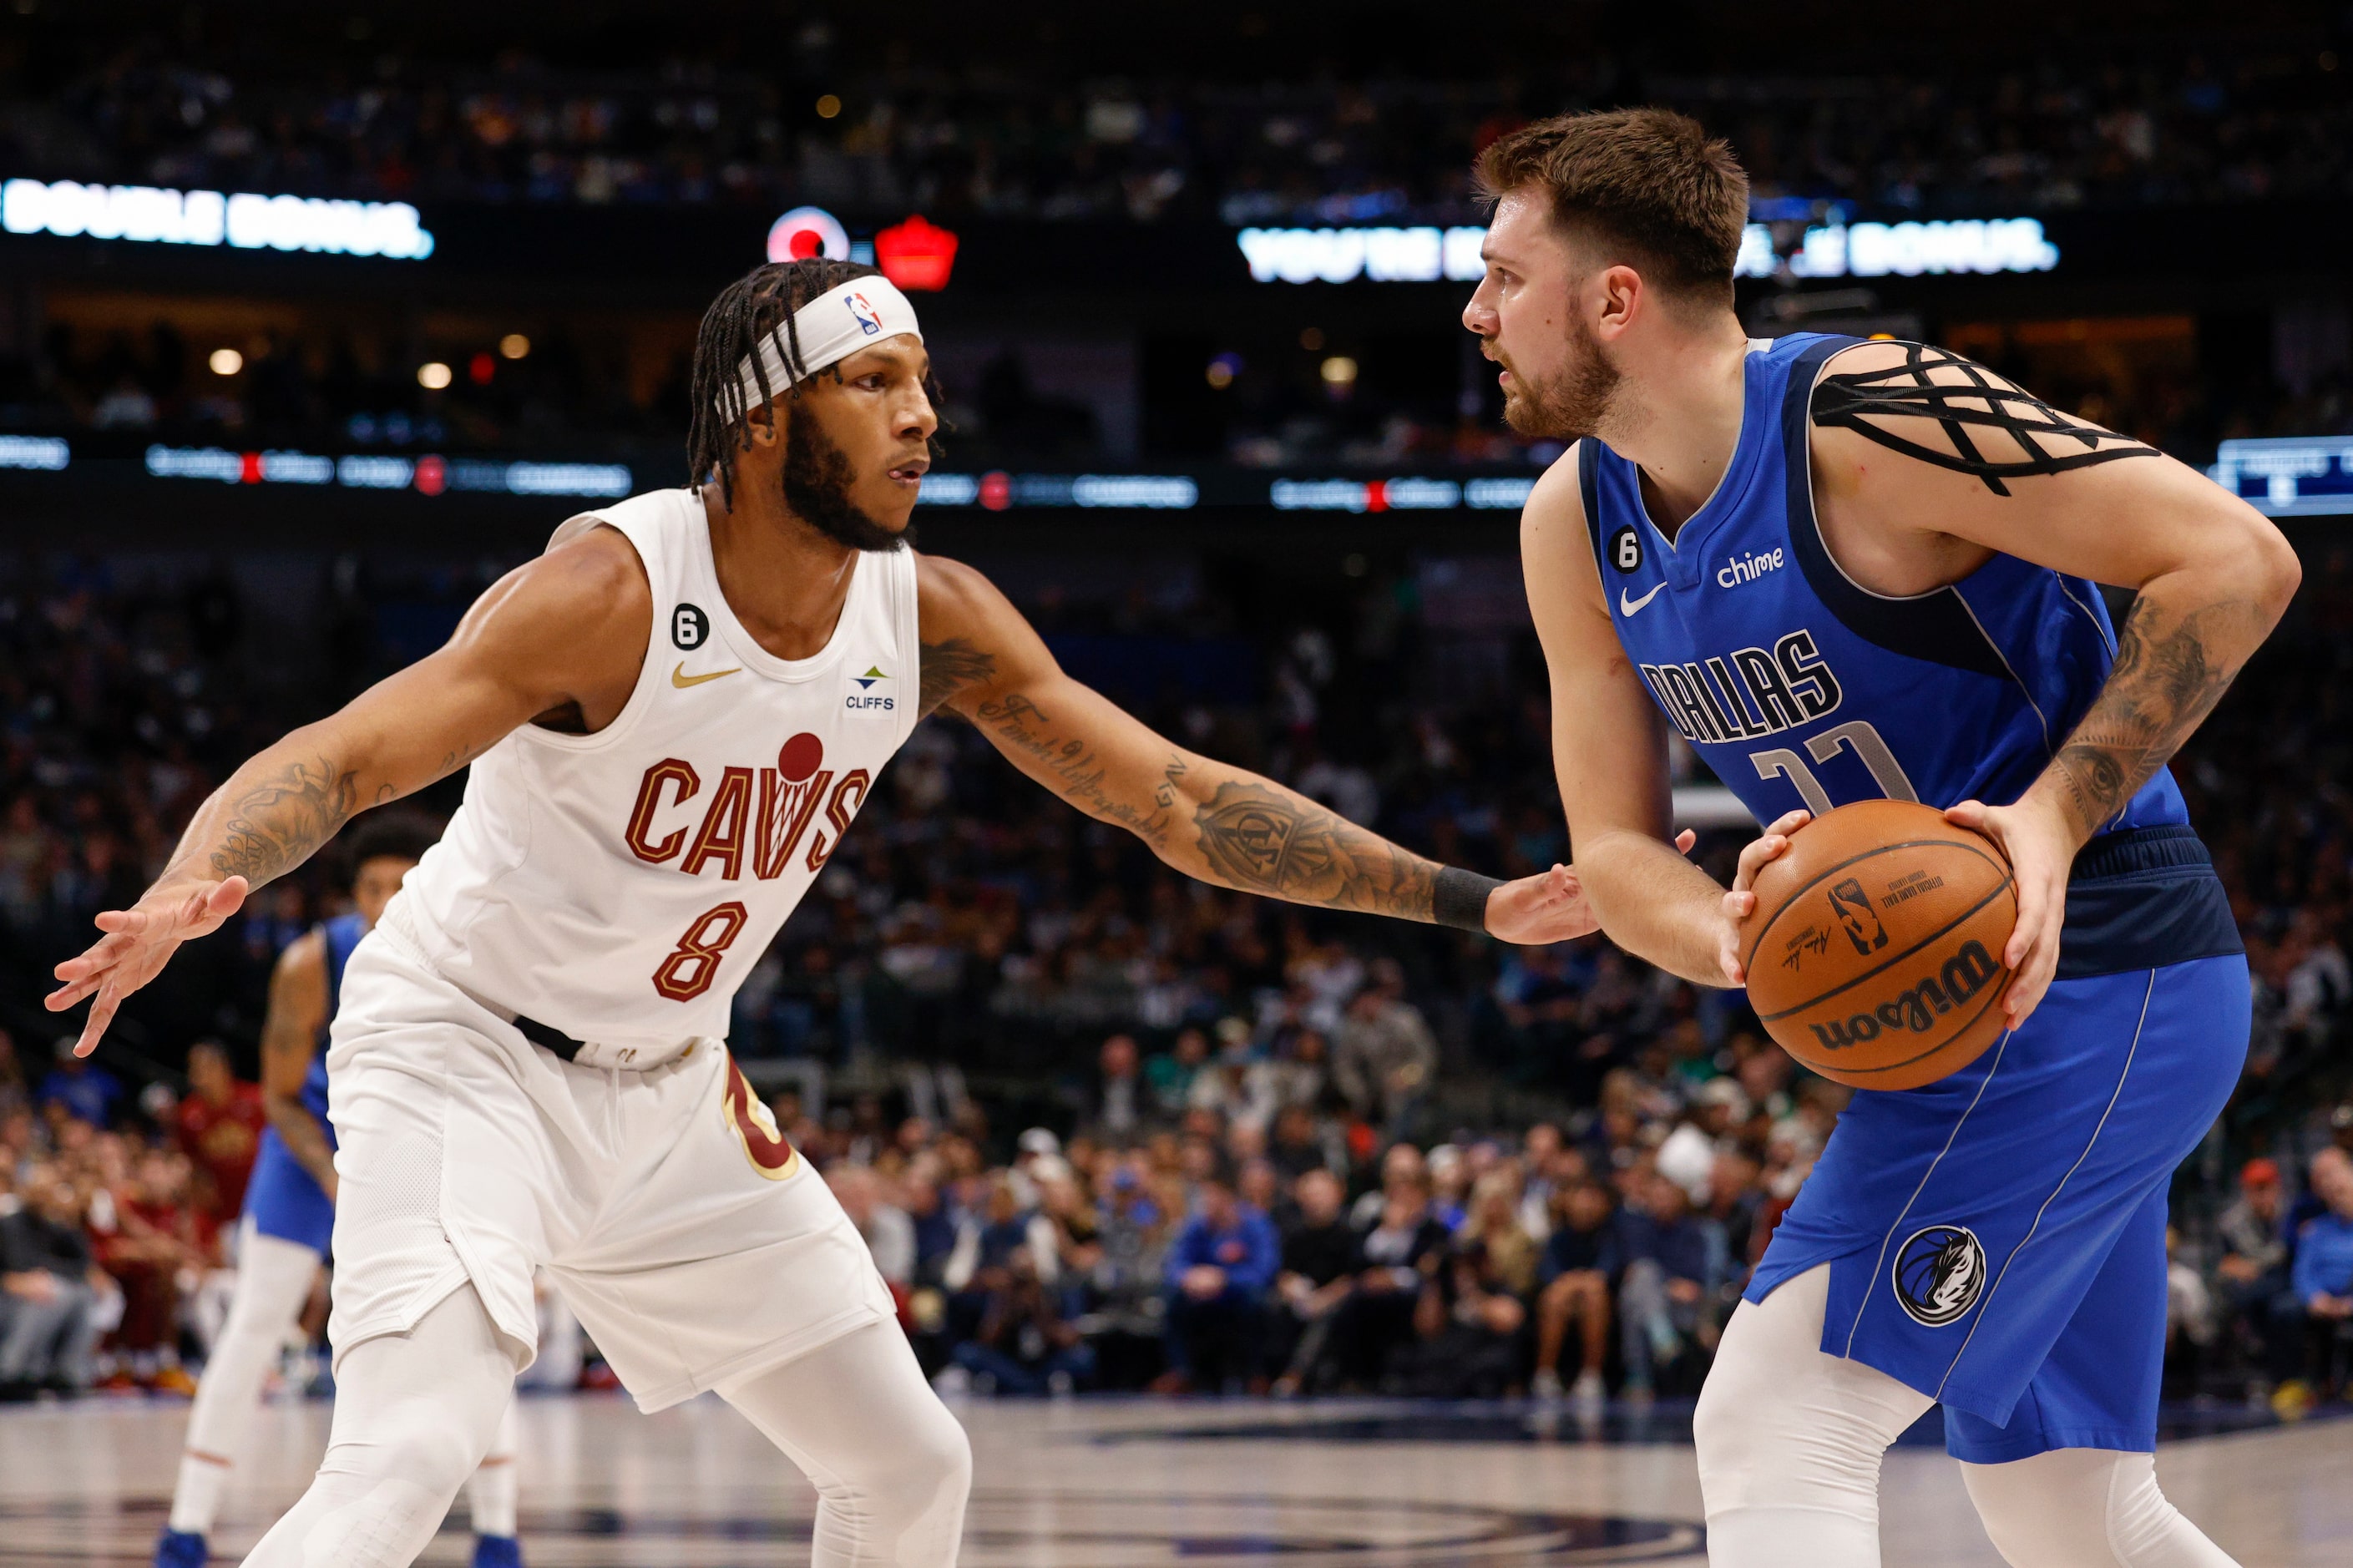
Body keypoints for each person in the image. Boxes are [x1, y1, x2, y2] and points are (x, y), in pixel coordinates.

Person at [48, 256, 1597, 1568]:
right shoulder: (608, 587)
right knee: (409, 1457)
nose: (922, 412)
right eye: (874, 381)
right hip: (468, 1052)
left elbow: (1178, 801)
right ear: (762, 416)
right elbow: (338, 755)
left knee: (910, 1466)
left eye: (922, 378)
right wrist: (200, 878)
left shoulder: (927, 615)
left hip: (674, 1087)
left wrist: (1470, 901)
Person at [1485, 105, 2295, 1565]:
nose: (1475, 311)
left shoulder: (1867, 419)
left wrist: (2049, 815)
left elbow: (2233, 557)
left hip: (2097, 955)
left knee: (1774, 1414)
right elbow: (1610, 848)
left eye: (1500, 275)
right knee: (2069, 1505)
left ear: (1612, 295)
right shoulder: (1569, 519)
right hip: (1950, 1003)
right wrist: (1730, 934)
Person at [154, 814, 528, 1568]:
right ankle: (187, 1527)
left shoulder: (479, 952)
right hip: (309, 1153)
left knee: (487, 1320)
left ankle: (498, 1530)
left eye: (402, 884)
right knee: (253, 1325)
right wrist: (332, 1171)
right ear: (352, 894)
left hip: (423, 1145)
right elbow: (283, 1095)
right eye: (371, 886)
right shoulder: (312, 961)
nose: (387, 900)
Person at [1159, 1173, 1280, 1392]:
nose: (1208, 1202)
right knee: (1174, 1300)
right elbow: (1174, 1264)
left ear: (1229, 1197)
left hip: (1239, 1292)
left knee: (1256, 1302)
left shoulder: (1256, 1224)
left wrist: (1224, 1279)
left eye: (1213, 1196)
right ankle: (1182, 1371)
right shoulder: (1198, 1226)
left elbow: (1265, 1270)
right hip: (1204, 1293)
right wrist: (1189, 1277)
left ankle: (1256, 1373)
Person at [0, 1167, 107, 1398]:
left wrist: (67, 1218)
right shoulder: (10, 1224)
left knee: (83, 1294)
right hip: (8, 1296)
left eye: (48, 1191)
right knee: (52, 1291)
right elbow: (23, 1265)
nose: (42, 1195)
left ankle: (69, 1373)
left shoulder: (49, 1224)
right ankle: (12, 1370)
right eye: (38, 1190)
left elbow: (81, 1261)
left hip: (38, 1290)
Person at [1532, 1178, 1622, 1406]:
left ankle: (1591, 1377)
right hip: (1565, 1301)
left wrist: (1575, 1284)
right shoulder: (1558, 1238)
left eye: (1591, 1199)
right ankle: (1545, 1374)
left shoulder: (1610, 1235)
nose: (1585, 1206)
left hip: (1601, 1303)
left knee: (1595, 1297)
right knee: (1555, 1299)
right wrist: (1574, 1285)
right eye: (1579, 1199)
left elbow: (1602, 1278)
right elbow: (1550, 1277)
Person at [173, 1041, 266, 1237]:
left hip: (265, 1204)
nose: (199, 1077)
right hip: (225, 1217)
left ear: (223, 1068)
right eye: (194, 1069)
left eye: (205, 1068)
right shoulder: (188, 1115)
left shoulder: (256, 1101)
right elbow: (193, 1165)